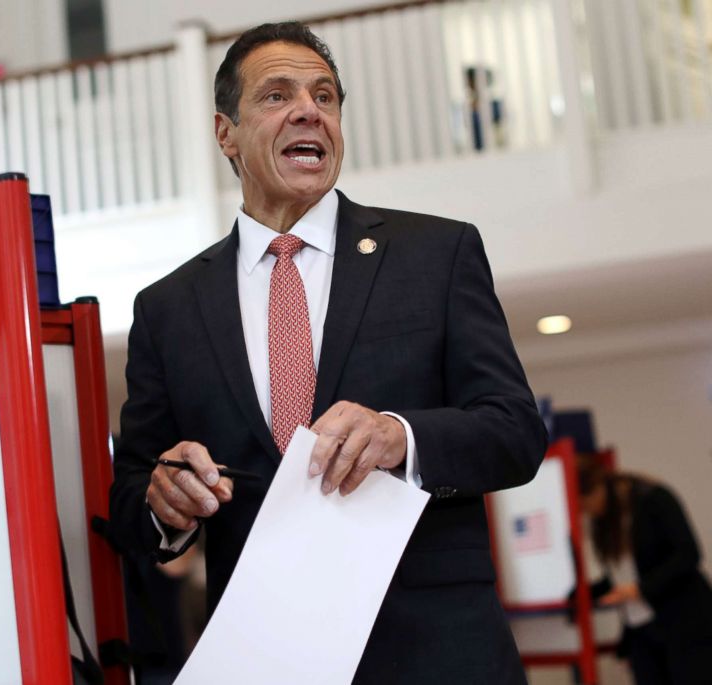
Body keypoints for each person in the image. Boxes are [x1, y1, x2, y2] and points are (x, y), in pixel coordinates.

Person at [109, 21, 546, 684]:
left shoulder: (436, 255)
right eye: (277, 95)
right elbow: (134, 494)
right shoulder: (167, 309)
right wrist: (163, 501)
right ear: (225, 132)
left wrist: (399, 434)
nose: (309, 110)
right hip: (266, 659)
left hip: (435, 655)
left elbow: (515, 431)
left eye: (325, 96)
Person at [578, 459, 712, 684]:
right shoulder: (606, 525)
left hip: (685, 623)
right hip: (642, 631)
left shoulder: (654, 499)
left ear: (597, 490)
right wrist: (586, 593)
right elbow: (623, 575)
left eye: (585, 505)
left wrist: (639, 589)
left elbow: (688, 554)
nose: (587, 513)